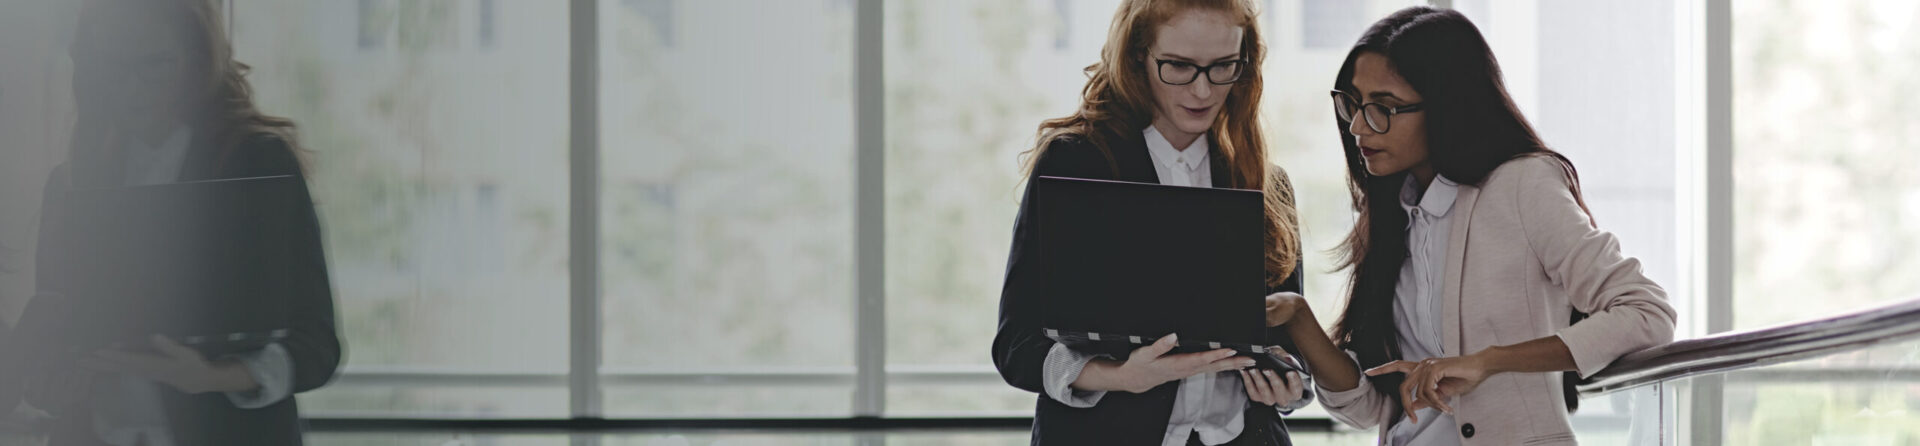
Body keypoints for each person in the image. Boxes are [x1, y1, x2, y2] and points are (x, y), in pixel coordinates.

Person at [1265, 6, 1677, 445]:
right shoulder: (1392, 213)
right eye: (1354, 102)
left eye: (1384, 107)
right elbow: (1370, 408)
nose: (1358, 125)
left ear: (1447, 105)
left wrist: (1489, 361)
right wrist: (1299, 317)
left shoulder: (1522, 185)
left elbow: (1645, 314)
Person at [7, 0, 342, 444]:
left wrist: (212, 376)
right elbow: (56, 341)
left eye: (156, 64)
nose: (133, 86)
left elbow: (317, 345)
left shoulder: (257, 164)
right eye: (115, 64)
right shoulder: (72, 184)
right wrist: (57, 384)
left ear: (197, 61)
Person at [991, 1, 1312, 444]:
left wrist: (1288, 384)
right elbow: (1017, 346)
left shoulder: (1265, 182)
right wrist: (1121, 376)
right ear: (1139, 56)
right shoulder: (1076, 163)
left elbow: (1285, 343)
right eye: (1179, 66)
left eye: (1223, 67)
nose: (1203, 91)